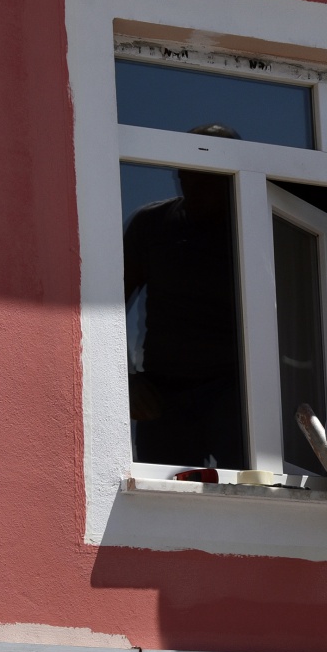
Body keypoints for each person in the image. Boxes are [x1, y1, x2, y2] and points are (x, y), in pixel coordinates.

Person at [123, 124, 247, 470]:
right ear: (180, 175)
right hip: (164, 394)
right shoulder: (152, 225)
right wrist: (125, 379)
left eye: (211, 174)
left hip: (237, 390)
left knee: (254, 488)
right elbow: (106, 305)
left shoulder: (257, 226)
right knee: (160, 496)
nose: (199, 183)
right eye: (190, 172)